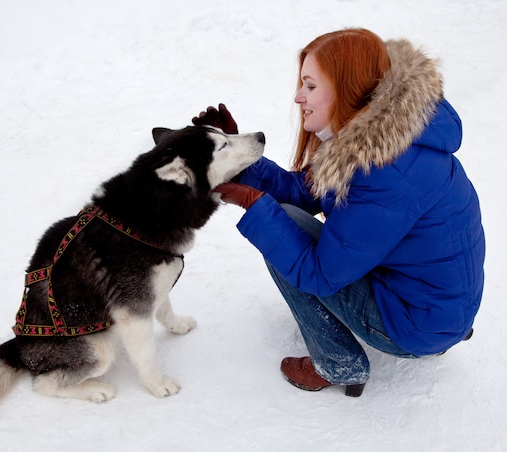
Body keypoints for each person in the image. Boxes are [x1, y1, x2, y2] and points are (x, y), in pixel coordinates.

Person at [192, 28, 485, 397]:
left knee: (281, 229)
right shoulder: (379, 137)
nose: (299, 97)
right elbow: (305, 191)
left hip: (420, 324)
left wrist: (255, 206)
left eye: (311, 86)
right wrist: (240, 156)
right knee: (284, 219)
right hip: (440, 304)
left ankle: (335, 361)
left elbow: (318, 274)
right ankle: (437, 329)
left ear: (347, 89)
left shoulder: (384, 173)